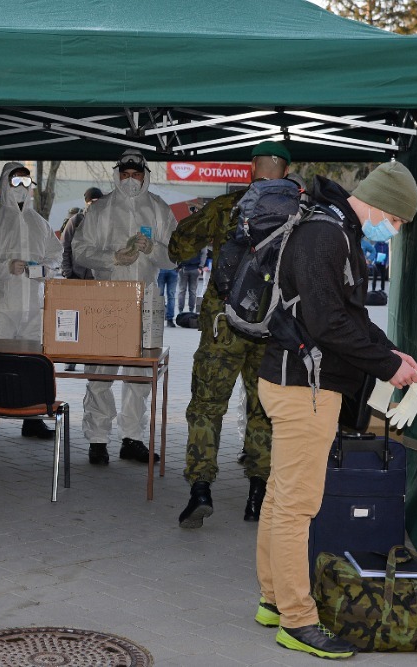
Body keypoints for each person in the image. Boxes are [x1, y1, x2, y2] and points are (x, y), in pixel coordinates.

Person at [253, 161, 417, 659]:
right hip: (305, 389)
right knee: (297, 507)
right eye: (397, 222)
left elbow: (349, 314)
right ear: (385, 206)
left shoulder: (336, 229)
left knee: (281, 496)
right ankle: (297, 620)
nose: (393, 230)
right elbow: (328, 324)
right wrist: (386, 368)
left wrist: (392, 353)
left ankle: (271, 597)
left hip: (296, 382)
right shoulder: (327, 236)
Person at [170, 140, 295, 529]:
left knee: (207, 407)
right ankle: (258, 495)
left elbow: (178, 247)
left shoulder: (226, 208)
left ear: (251, 168)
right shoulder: (301, 212)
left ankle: (201, 491)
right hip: (273, 329)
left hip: (223, 323)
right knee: (264, 412)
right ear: (286, 172)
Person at [72, 148, 177, 465]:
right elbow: (79, 251)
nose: (131, 179)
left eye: (136, 173)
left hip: (146, 302)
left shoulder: (159, 209)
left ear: (146, 174)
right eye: (125, 173)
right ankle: (97, 439)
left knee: (139, 375)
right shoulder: (101, 209)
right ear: (118, 174)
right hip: (106, 300)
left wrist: (154, 248)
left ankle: (132, 437)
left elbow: (174, 256)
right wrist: (111, 258)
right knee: (100, 372)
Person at [0, 162, 63, 442]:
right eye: (16, 182)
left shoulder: (41, 224)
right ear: (4, 183)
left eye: (26, 182)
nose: (22, 188)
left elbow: (56, 256)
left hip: (33, 308)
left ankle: (32, 418)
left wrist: (45, 270)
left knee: (32, 364)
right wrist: (5, 266)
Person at [61, 187, 102, 280]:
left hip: (100, 279)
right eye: (92, 202)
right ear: (86, 203)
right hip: (76, 277)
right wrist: (68, 273)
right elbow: (64, 248)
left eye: (98, 201)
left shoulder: (107, 223)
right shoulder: (75, 221)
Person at [176, 248, 206, 313]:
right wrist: (201, 266)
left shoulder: (183, 237)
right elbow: (204, 253)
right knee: (192, 291)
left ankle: (180, 311)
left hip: (183, 267)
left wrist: (178, 266)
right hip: (195, 268)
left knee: (182, 291)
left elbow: (177, 251)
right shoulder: (200, 238)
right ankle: (191, 311)